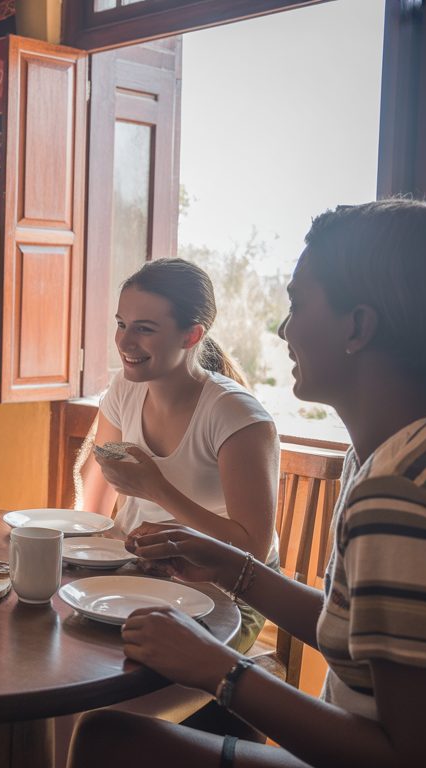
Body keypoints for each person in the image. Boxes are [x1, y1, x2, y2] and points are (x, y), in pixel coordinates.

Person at [70, 200, 426, 767]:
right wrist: (232, 568)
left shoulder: (401, 495)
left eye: (297, 304)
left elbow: (425, 759)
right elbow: (351, 626)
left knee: (108, 744)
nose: (284, 329)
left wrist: (219, 669)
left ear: (358, 326)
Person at [78, 258, 278, 651]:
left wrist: (155, 488)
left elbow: (252, 550)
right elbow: (96, 506)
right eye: (121, 324)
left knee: (124, 662)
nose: (124, 341)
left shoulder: (237, 417)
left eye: (145, 329)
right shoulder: (124, 389)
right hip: (142, 574)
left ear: (191, 336)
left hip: (231, 592)